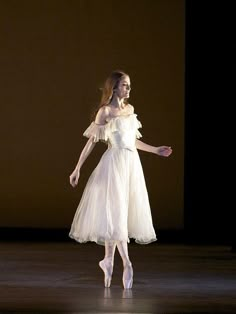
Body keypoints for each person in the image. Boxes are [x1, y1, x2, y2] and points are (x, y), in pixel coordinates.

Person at [69, 70, 172, 289]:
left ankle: (108, 261)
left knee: (119, 214)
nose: (129, 89)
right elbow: (91, 143)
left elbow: (132, 141)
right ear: (114, 87)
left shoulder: (130, 110)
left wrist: (155, 150)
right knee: (115, 213)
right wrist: (77, 168)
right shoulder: (105, 112)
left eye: (129, 85)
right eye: (125, 85)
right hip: (113, 164)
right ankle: (126, 262)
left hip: (131, 165)